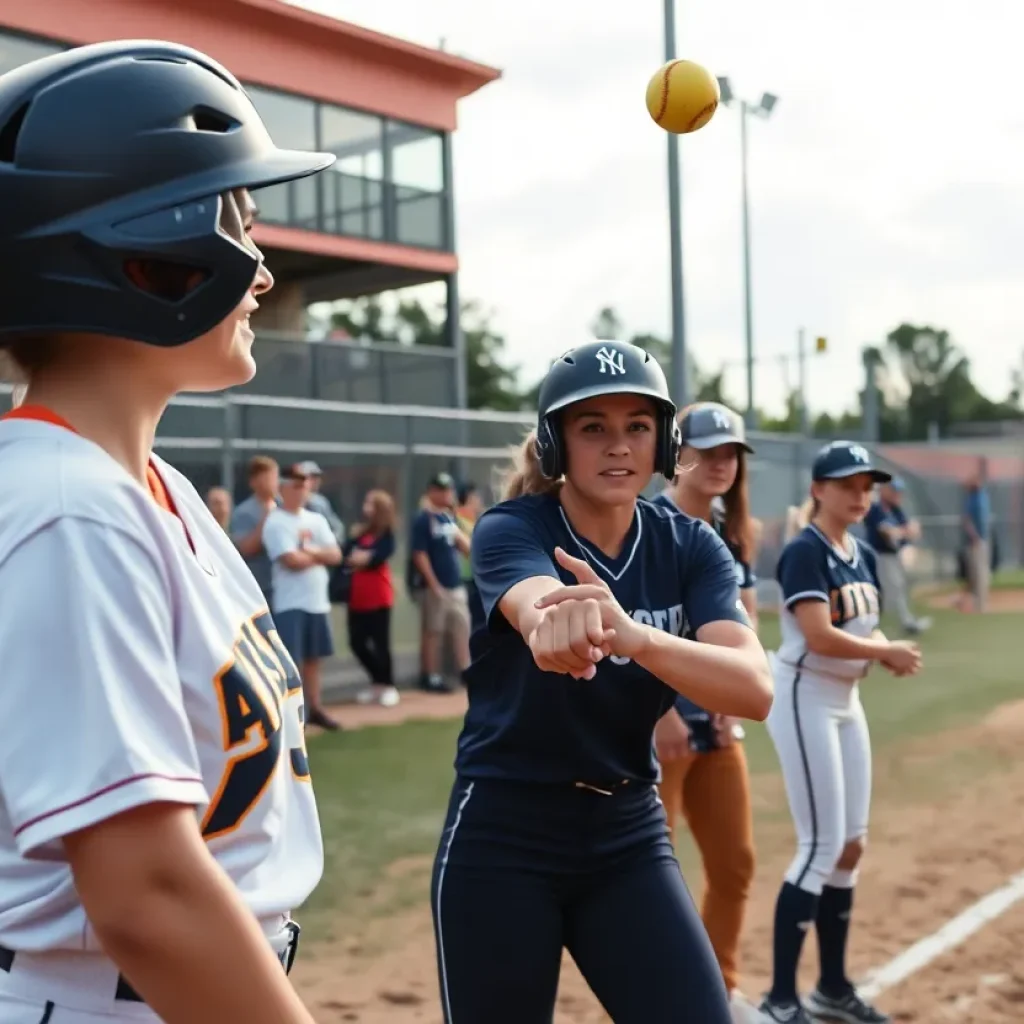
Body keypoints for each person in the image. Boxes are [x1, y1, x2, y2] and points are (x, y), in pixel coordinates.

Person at [0, 39, 334, 1024]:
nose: (262, 267)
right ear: (139, 251)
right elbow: (144, 893)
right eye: (231, 215)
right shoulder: (70, 509)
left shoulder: (143, 490)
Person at [430, 341, 773, 1024]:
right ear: (556, 445)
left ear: (666, 444)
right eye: (593, 428)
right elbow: (534, 604)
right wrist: (554, 623)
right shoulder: (511, 528)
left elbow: (753, 689)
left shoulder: (691, 544)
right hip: (505, 832)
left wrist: (637, 637)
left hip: (626, 832)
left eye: (637, 427)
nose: (619, 447)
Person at [759, 441, 923, 1024]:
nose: (860, 494)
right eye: (848, 484)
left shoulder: (861, 552)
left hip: (845, 699)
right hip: (804, 694)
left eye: (867, 485)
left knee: (852, 845)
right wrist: (887, 650)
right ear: (818, 490)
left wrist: (882, 651)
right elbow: (820, 635)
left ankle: (831, 988)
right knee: (820, 847)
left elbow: (857, 632)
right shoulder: (805, 551)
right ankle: (780, 998)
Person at [651, 402, 761, 1024]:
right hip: (655, 729)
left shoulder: (727, 527)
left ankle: (715, 989)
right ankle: (647, 1002)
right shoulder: (650, 523)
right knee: (646, 886)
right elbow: (630, 630)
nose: (722, 463)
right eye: (710, 449)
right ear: (678, 454)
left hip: (716, 724)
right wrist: (660, 712)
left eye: (732, 453)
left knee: (735, 863)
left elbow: (741, 629)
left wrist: (727, 698)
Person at [263, 464, 343, 731]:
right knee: (291, 660)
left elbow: (335, 555)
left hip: (316, 600)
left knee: (312, 659)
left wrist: (311, 554)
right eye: (295, 485)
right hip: (290, 602)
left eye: (304, 485)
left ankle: (314, 708)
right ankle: (291, 713)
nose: (301, 490)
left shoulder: (316, 519)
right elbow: (290, 560)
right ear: (283, 487)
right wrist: (318, 555)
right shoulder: (275, 521)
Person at [411, 472, 472, 694]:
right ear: (431, 492)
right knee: (433, 631)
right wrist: (433, 583)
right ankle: (430, 675)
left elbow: (465, 548)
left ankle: (466, 671)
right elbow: (420, 554)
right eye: (441, 489)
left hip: (455, 583)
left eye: (448, 489)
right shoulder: (423, 518)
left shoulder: (449, 518)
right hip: (434, 585)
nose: (447, 494)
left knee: (461, 627)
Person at [345, 489, 399, 708]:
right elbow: (346, 556)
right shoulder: (358, 533)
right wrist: (359, 558)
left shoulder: (387, 535)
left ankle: (387, 685)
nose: (366, 507)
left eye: (370, 503)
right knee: (356, 643)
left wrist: (363, 558)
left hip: (379, 597)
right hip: (357, 597)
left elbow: (377, 558)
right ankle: (376, 681)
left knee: (381, 644)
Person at [863, 477, 930, 634]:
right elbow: (887, 532)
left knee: (892, 589)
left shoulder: (895, 509)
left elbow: (912, 531)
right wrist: (904, 532)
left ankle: (888, 622)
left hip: (893, 555)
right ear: (884, 490)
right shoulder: (876, 509)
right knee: (891, 588)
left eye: (898, 491)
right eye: (893, 490)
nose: (897, 494)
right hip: (879, 555)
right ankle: (905, 622)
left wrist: (904, 532)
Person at [231, 454, 281, 604]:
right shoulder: (244, 512)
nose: (272, 483)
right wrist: (267, 517)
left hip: (287, 588)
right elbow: (247, 548)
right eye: (266, 479)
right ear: (253, 483)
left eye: (273, 477)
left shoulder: (287, 506)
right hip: (260, 588)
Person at [960, 462, 991, 613]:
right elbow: (967, 521)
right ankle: (979, 605)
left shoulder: (982, 495)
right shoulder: (971, 498)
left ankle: (979, 603)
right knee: (978, 573)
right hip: (976, 540)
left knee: (981, 572)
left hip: (984, 538)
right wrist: (975, 537)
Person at [298, 459, 344, 539]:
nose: (316, 481)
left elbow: (336, 527)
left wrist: (331, 543)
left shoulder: (320, 502)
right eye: (311, 477)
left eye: (317, 477)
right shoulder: (285, 498)